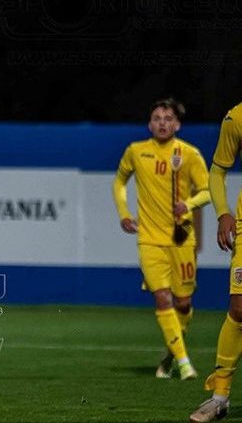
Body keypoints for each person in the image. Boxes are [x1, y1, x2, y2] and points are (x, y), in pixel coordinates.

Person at [113, 98, 209, 381]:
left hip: (182, 240)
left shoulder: (189, 154)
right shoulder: (136, 151)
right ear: (149, 123)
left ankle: (169, 357)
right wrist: (124, 213)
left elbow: (206, 191)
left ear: (177, 125)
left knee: (183, 303)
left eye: (168, 118)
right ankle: (184, 362)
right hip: (150, 240)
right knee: (163, 298)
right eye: (157, 117)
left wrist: (189, 205)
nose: (162, 123)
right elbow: (119, 181)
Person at [188, 99, 242, 422]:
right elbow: (218, 170)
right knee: (239, 308)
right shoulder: (236, 117)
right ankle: (219, 396)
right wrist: (223, 213)